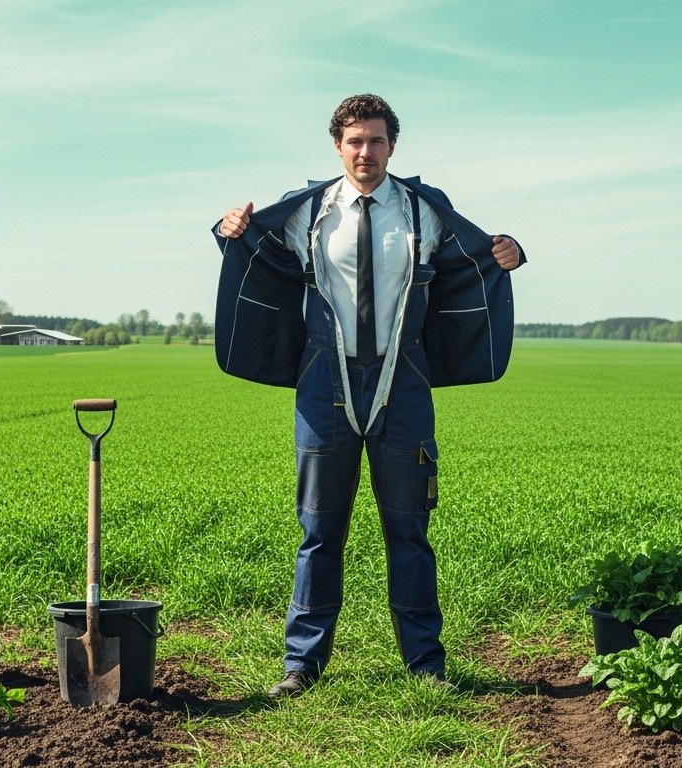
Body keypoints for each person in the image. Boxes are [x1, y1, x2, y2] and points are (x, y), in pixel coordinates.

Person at [212, 93, 525, 698]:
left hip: (401, 382)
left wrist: (509, 249)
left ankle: (425, 665)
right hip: (323, 382)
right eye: (355, 141)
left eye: (376, 141)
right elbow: (251, 247)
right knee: (319, 530)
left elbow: (477, 253)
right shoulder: (309, 211)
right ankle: (301, 666)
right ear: (337, 146)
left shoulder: (422, 211)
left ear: (392, 147)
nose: (365, 152)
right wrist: (226, 229)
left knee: (409, 529)